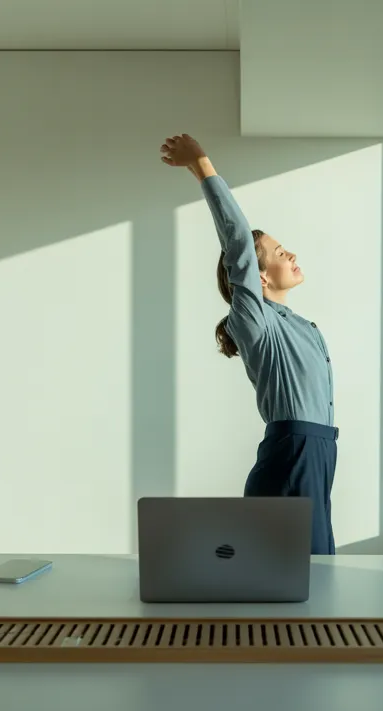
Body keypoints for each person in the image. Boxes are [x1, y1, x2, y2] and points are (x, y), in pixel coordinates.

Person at [160, 134, 338, 554]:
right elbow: (237, 240)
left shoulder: (299, 324)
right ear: (258, 278)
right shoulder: (254, 321)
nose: (290, 253)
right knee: (296, 572)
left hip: (319, 453)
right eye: (278, 251)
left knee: (318, 570)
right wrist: (203, 167)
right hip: (293, 455)